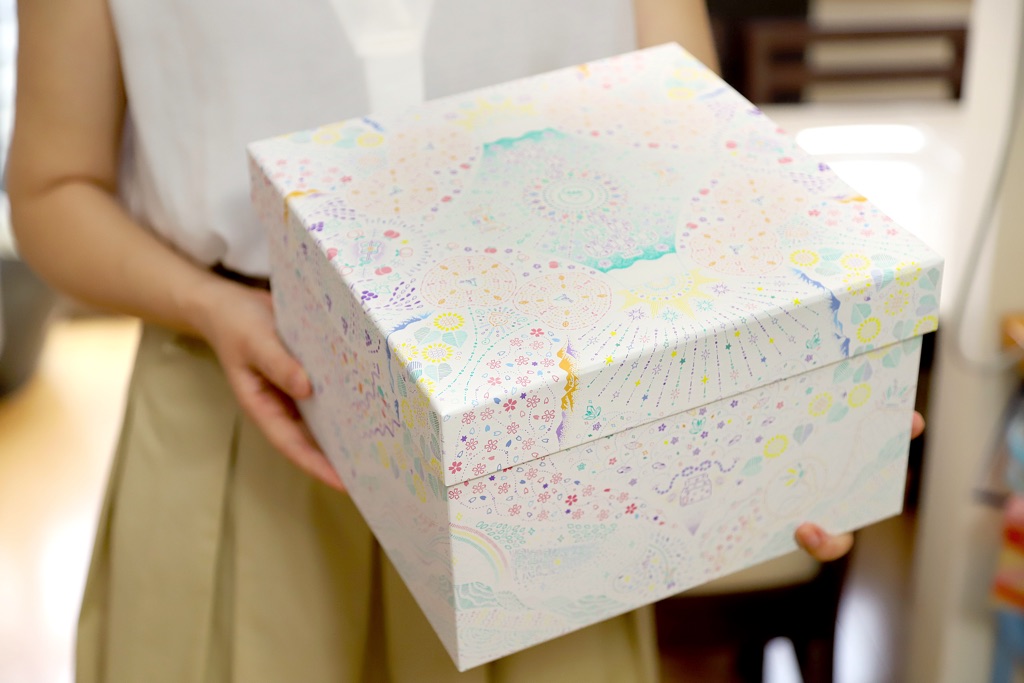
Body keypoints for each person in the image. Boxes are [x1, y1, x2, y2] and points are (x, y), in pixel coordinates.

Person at [8, 1, 925, 681]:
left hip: (551, 441)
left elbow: (695, 149)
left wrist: (790, 426)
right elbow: (51, 187)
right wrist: (210, 307)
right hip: (245, 414)